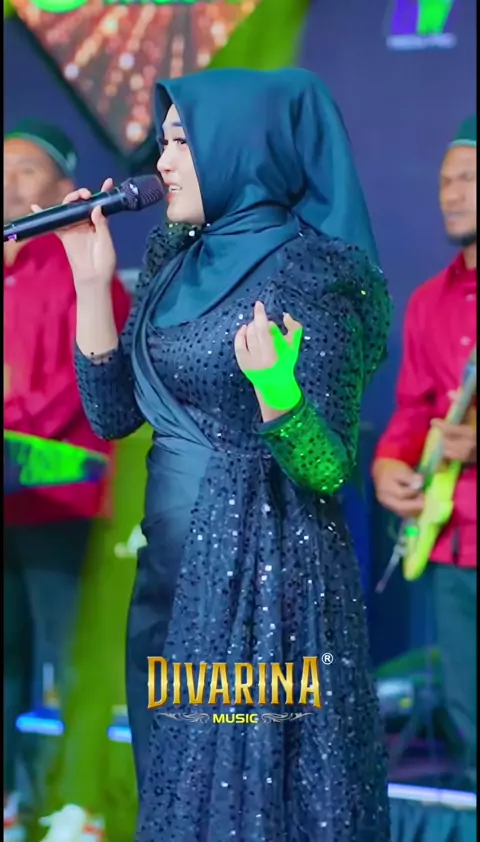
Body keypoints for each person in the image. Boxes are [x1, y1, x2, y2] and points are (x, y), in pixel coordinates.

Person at [57, 68, 392, 840]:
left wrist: (279, 395)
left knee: (245, 803)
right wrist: (91, 282)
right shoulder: (175, 260)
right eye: (163, 143)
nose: (161, 163)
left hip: (260, 580)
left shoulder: (309, 273)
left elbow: (328, 467)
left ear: (240, 146)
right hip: (167, 577)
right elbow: (112, 415)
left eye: (181, 143)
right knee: (173, 788)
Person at [3, 120, 131, 841]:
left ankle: (82, 803)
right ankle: (12, 799)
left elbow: (84, 385)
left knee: (73, 659)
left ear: (62, 185)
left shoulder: (83, 269)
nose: (7, 181)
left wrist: (12, 425)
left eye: (24, 169)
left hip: (63, 500)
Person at [372, 116, 477, 787]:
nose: (452, 194)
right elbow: (414, 409)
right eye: (445, 181)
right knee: (469, 725)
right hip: (450, 540)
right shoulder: (425, 302)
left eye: (468, 178)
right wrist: (388, 463)